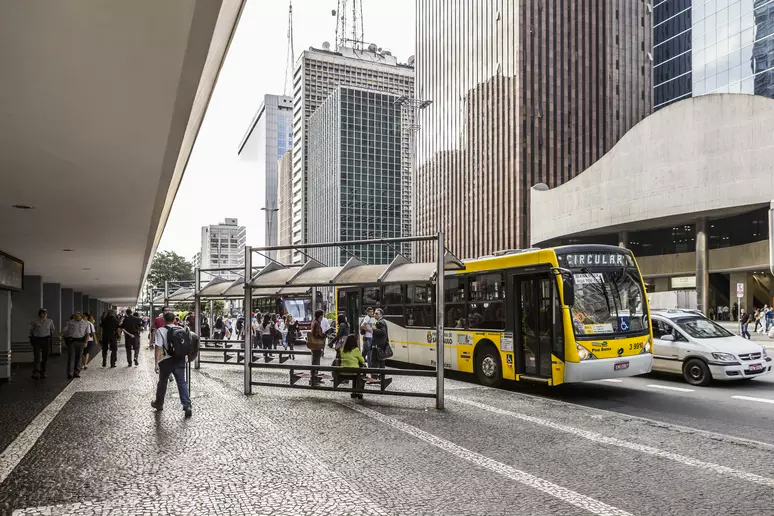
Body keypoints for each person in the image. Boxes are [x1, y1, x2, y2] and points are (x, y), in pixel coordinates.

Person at [151, 312, 196, 418]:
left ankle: (159, 403)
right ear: (174, 320)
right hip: (179, 359)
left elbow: (158, 347)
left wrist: (156, 363)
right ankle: (187, 406)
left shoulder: (160, 331)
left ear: (164, 320)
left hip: (166, 360)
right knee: (182, 382)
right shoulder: (180, 329)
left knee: (162, 383)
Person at [62, 312, 90, 379]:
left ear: (81, 316)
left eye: (78, 316)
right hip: (72, 341)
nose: (76, 317)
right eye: (75, 316)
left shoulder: (85, 323)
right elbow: (65, 331)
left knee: (79, 357)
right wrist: (65, 338)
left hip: (81, 341)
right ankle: (70, 373)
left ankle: (77, 372)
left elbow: (87, 333)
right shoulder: (70, 322)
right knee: (71, 357)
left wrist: (86, 342)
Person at [29, 308, 56, 379]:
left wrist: (49, 335)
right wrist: (33, 337)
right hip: (37, 339)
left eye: (46, 313)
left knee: (45, 356)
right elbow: (31, 330)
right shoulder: (35, 321)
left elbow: (52, 329)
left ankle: (43, 371)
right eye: (43, 313)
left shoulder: (50, 321)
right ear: (40, 314)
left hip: (46, 339)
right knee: (37, 356)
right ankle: (36, 372)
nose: (44, 315)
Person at [339, 334, 366, 399]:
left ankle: (354, 392)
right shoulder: (356, 350)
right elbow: (362, 361)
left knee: (356, 373)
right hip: (354, 372)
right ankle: (359, 392)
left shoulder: (342, 350)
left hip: (343, 372)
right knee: (362, 374)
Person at [308, 310, 326, 385]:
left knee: (315, 362)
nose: (323, 316)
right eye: (323, 315)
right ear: (320, 315)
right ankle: (313, 380)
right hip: (316, 345)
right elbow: (317, 335)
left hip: (314, 345)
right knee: (316, 363)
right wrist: (324, 335)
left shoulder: (314, 322)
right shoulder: (317, 323)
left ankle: (315, 378)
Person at [371, 308, 390, 376]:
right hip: (381, 345)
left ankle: (374, 377)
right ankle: (381, 377)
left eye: (376, 314)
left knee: (374, 362)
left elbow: (383, 332)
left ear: (381, 315)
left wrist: (374, 329)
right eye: (374, 313)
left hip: (378, 345)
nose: (374, 315)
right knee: (381, 362)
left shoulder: (380, 322)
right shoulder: (382, 321)